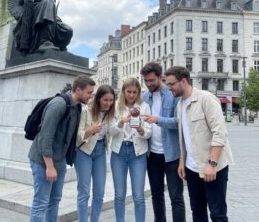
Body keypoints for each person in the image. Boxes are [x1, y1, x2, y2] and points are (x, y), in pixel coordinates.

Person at [165, 66, 234, 222]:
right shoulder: (180, 104)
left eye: (171, 84)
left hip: (213, 167)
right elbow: (185, 136)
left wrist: (212, 163)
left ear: (183, 81)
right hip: (192, 168)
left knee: (217, 214)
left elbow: (220, 133)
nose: (169, 88)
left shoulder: (206, 99)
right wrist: (182, 161)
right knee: (197, 211)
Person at [28, 75, 95, 222]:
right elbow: (45, 138)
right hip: (43, 161)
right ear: (78, 89)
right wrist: (50, 166)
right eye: (89, 93)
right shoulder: (58, 104)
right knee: (41, 203)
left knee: (55, 200)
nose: (91, 96)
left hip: (59, 161)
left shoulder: (77, 107)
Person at [140, 62, 185, 222]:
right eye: (146, 81)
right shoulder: (145, 97)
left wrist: (158, 120)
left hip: (172, 154)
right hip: (152, 155)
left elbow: (179, 121)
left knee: (176, 197)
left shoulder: (173, 95)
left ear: (161, 77)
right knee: (156, 195)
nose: (149, 84)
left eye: (152, 80)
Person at [109, 78, 151, 222]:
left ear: (139, 92)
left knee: (138, 195)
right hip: (119, 152)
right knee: (119, 195)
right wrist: (120, 123)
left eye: (134, 92)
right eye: (129, 92)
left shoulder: (144, 106)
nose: (131, 95)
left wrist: (140, 129)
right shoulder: (115, 107)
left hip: (137, 153)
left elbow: (149, 132)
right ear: (123, 91)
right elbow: (110, 131)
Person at [75, 85, 116, 222]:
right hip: (84, 151)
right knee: (84, 192)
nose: (109, 103)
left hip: (100, 151)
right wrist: (91, 130)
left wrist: (121, 124)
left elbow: (112, 132)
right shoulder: (86, 111)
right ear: (98, 99)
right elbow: (78, 136)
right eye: (105, 100)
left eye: (111, 100)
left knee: (99, 193)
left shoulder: (110, 113)